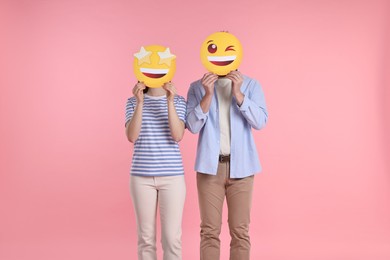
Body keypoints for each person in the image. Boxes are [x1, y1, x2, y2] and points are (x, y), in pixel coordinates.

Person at [186, 69, 268, 260]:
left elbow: (260, 121)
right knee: (209, 231)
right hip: (209, 169)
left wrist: (239, 94)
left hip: (242, 168)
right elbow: (192, 126)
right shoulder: (197, 86)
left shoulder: (251, 84)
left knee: (240, 231)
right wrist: (207, 94)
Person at [125, 81, 187, 260]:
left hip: (172, 177)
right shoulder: (132, 102)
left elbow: (177, 135)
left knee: (172, 238)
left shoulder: (178, 101)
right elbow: (132, 136)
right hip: (141, 178)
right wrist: (140, 103)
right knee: (145, 238)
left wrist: (170, 101)